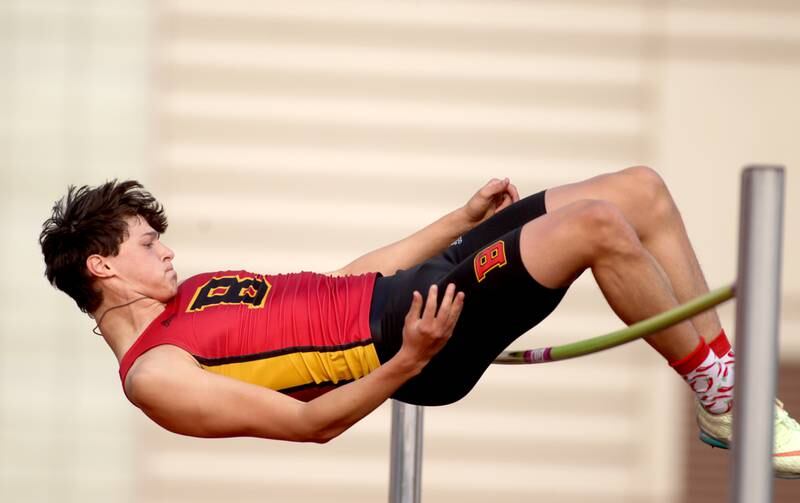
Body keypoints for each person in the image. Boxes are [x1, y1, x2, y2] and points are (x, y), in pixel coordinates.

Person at [39, 166, 799, 478]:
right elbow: (311, 427)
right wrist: (409, 359)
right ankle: (726, 396)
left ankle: (723, 396)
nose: (168, 250)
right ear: (102, 267)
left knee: (642, 190)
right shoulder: (155, 374)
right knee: (597, 225)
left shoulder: (198, 290)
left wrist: (458, 220)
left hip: (411, 291)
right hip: (419, 338)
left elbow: (344, 282)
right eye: (148, 243)